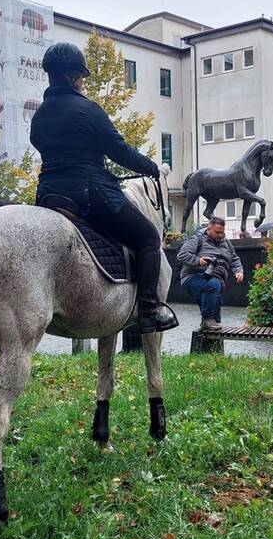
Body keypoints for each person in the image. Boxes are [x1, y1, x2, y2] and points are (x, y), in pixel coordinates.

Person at [30, 41, 177, 334]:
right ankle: (149, 309)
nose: (83, 82)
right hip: (90, 193)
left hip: (48, 195)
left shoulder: (39, 114)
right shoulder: (88, 109)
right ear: (74, 77)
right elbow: (119, 151)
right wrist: (151, 168)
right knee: (148, 237)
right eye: (81, 77)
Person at [176, 217, 244, 329]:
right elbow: (182, 255)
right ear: (208, 229)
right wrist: (198, 261)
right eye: (217, 232)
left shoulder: (226, 243)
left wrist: (238, 271)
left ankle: (209, 340)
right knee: (212, 286)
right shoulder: (197, 239)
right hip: (192, 277)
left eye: (222, 232)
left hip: (218, 281)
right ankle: (207, 320)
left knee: (216, 317)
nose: (220, 235)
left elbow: (234, 259)